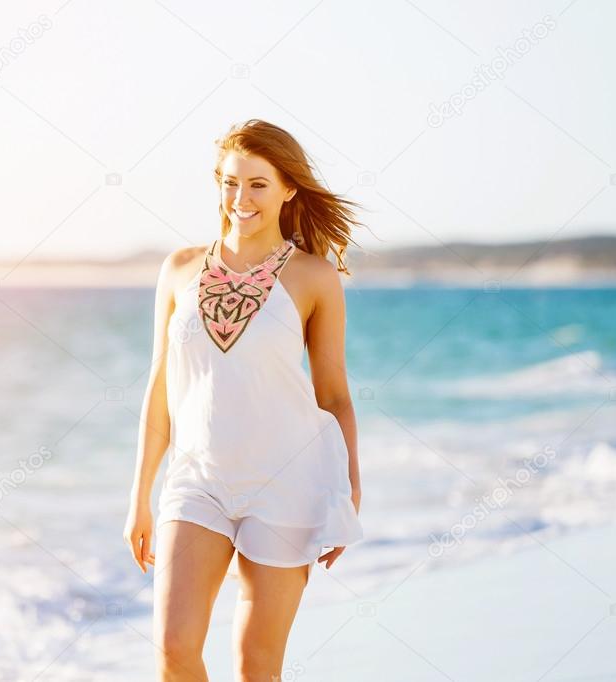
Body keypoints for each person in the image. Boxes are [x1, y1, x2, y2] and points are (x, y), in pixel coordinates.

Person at [124, 118, 367, 681]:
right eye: (231, 183)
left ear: (288, 189)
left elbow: (334, 396)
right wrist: (140, 494)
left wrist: (346, 492)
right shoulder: (179, 268)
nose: (241, 198)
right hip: (197, 480)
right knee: (173, 648)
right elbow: (159, 382)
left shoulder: (313, 277)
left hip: (287, 483)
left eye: (258, 184)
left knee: (257, 666)